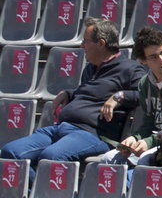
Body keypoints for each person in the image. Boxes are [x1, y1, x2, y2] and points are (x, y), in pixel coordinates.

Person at [1, 18, 145, 175]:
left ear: (101, 43)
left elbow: (147, 94)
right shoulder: (90, 69)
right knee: (10, 153)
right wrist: (69, 94)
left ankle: (41, 189)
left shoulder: (130, 69)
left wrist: (119, 96)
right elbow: (91, 93)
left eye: (85, 41)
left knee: (50, 157)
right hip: (61, 128)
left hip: (92, 134)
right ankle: (31, 189)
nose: (81, 45)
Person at [98, 27, 162, 166]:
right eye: (153, 57)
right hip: (156, 141)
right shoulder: (145, 84)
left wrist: (150, 141)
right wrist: (135, 138)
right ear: (143, 60)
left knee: (144, 159)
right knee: (109, 158)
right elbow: (148, 122)